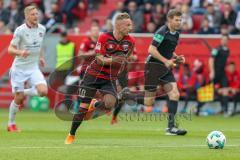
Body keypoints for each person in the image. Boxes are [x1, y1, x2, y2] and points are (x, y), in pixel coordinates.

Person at [64, 12, 135, 144]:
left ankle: (95, 104)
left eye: (131, 24)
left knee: (110, 103)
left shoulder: (131, 41)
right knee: (82, 109)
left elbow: (127, 57)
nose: (131, 27)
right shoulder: (104, 37)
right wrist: (115, 60)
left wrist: (123, 65)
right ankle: (71, 134)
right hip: (93, 76)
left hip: (109, 78)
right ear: (119, 26)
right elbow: (99, 59)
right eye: (128, 25)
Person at [144, 9, 187, 135]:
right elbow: (151, 49)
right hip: (153, 66)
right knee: (148, 102)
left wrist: (177, 57)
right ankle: (125, 96)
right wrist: (165, 61)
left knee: (175, 94)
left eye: (180, 20)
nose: (179, 22)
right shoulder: (162, 31)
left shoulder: (176, 34)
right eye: (176, 20)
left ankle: (171, 128)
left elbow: (169, 50)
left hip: (165, 68)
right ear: (169, 19)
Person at [7, 5, 48, 132]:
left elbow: (39, 45)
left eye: (37, 14)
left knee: (43, 92)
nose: (36, 16)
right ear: (26, 16)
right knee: (18, 99)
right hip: (19, 68)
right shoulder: (20, 30)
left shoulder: (42, 28)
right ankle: (11, 124)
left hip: (33, 67)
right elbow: (10, 49)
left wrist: (41, 57)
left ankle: (22, 92)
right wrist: (20, 52)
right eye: (33, 14)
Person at [209, 34, 230, 116]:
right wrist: (212, 71)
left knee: (225, 91)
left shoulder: (228, 50)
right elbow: (211, 60)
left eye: (226, 39)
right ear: (221, 40)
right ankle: (198, 108)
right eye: (223, 39)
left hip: (222, 73)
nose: (224, 41)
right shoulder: (216, 49)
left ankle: (225, 110)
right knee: (209, 91)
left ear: (227, 41)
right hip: (215, 73)